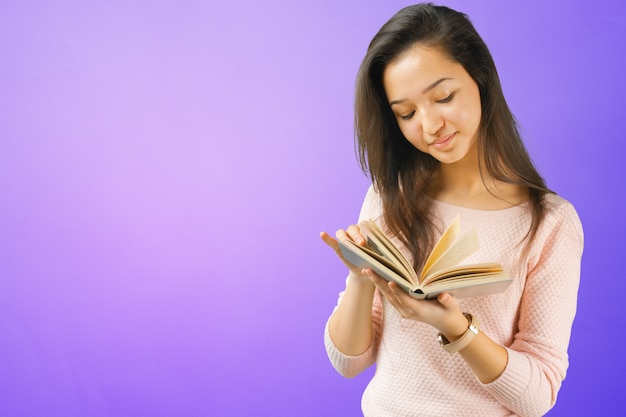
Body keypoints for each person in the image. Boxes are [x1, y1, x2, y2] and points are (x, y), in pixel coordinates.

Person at [320, 3, 583, 417]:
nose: (428, 125)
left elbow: (537, 397)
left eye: (443, 97)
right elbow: (348, 361)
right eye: (406, 113)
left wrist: (454, 327)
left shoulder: (549, 223)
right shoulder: (390, 194)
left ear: (479, 77)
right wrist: (360, 277)